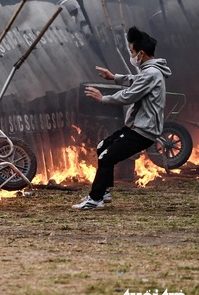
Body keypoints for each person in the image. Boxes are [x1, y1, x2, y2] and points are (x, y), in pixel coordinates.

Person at [73, 26, 171, 210]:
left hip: (144, 131)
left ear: (141, 53)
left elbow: (128, 95)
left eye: (132, 52)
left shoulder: (151, 73)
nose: (131, 55)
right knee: (103, 147)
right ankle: (104, 192)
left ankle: (95, 199)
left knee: (106, 157)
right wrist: (114, 77)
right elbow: (135, 81)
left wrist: (103, 99)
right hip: (137, 127)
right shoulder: (150, 71)